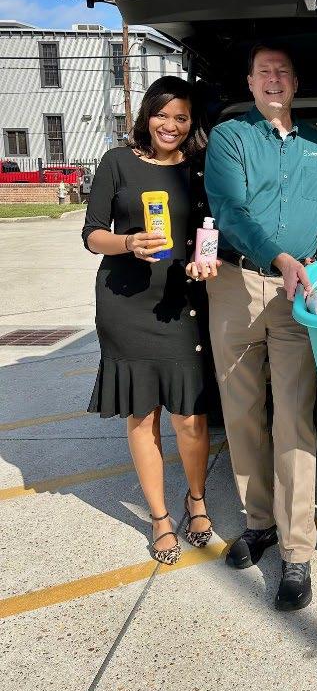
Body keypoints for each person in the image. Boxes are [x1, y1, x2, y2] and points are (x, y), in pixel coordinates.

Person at [198, 43, 317, 612]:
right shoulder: (231, 138)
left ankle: (297, 550)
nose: (274, 80)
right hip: (236, 284)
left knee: (294, 417)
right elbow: (229, 211)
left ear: (296, 83)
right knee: (241, 413)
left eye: (283, 72)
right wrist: (278, 256)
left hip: (296, 293)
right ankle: (258, 522)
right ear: (251, 83)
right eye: (264, 72)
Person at [83, 77, 214, 565]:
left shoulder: (199, 170)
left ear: (191, 123)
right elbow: (92, 233)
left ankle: (196, 499)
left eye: (181, 117)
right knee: (143, 415)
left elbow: (210, 230)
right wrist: (127, 242)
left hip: (181, 302)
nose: (171, 125)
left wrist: (204, 262)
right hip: (126, 303)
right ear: (146, 115)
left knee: (190, 418)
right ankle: (159, 517)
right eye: (162, 114)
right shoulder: (117, 162)